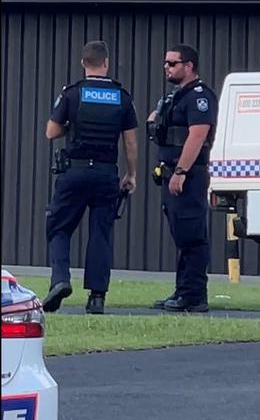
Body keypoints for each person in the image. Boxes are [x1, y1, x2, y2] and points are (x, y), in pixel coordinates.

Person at [42, 40, 139, 315]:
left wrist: (72, 126)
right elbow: (130, 143)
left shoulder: (72, 94)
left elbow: (51, 132)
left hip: (75, 171)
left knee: (59, 227)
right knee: (100, 234)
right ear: (106, 63)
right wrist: (131, 175)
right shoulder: (122, 96)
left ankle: (60, 279)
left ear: (84, 63)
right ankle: (97, 298)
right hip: (107, 174)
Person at [148, 43, 218, 313]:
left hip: (187, 175)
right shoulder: (176, 97)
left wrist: (181, 172)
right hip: (170, 173)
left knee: (192, 234)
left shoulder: (199, 96)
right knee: (181, 234)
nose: (167, 67)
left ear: (188, 66)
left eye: (173, 63)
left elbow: (198, 135)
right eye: (166, 63)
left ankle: (193, 295)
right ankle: (183, 290)